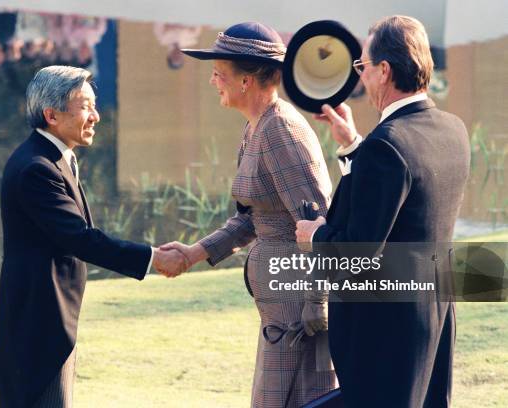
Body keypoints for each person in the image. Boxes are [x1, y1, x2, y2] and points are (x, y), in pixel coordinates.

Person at [0, 66, 187, 408]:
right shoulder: (37, 168)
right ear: (51, 114)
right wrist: (153, 258)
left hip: (51, 324)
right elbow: (81, 239)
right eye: (86, 106)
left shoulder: (56, 158)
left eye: (95, 105)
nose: (95, 116)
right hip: (37, 330)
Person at [296, 16, 470, 408]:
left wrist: (315, 236)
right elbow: (405, 199)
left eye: (363, 67)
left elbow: (358, 254)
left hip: (387, 331)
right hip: (435, 317)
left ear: (385, 71)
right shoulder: (451, 129)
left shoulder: (387, 146)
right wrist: (352, 145)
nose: (362, 77)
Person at [162, 22, 336, 407]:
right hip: (278, 310)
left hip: (298, 315)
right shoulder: (255, 126)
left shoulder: (281, 131)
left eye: (218, 72)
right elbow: (250, 218)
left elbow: (321, 225)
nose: (212, 81)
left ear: (246, 81)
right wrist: (195, 253)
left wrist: (317, 305)